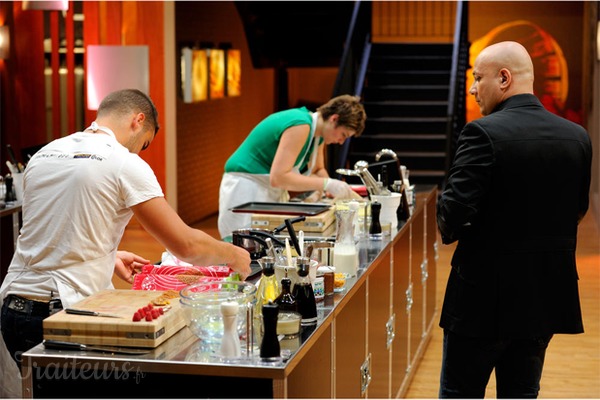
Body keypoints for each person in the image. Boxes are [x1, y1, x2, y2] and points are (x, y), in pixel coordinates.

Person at [0, 88, 251, 397]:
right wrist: (233, 254)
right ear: (138, 120)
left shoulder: (45, 153)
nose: (139, 152)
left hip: (12, 306)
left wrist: (109, 255)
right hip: (58, 311)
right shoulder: (123, 161)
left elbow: (52, 228)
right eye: (144, 143)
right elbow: (185, 246)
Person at [436, 41, 593, 398]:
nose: (473, 88)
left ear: (504, 78)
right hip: (543, 298)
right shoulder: (577, 137)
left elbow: (450, 222)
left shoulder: (482, 133)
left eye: (478, 78)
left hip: (481, 305)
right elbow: (577, 211)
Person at [218, 94, 367, 238]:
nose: (341, 142)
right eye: (343, 135)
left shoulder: (318, 135)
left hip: (267, 190)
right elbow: (279, 178)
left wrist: (333, 189)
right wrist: (328, 184)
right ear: (334, 119)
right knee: (244, 250)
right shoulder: (300, 125)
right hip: (246, 188)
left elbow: (317, 170)